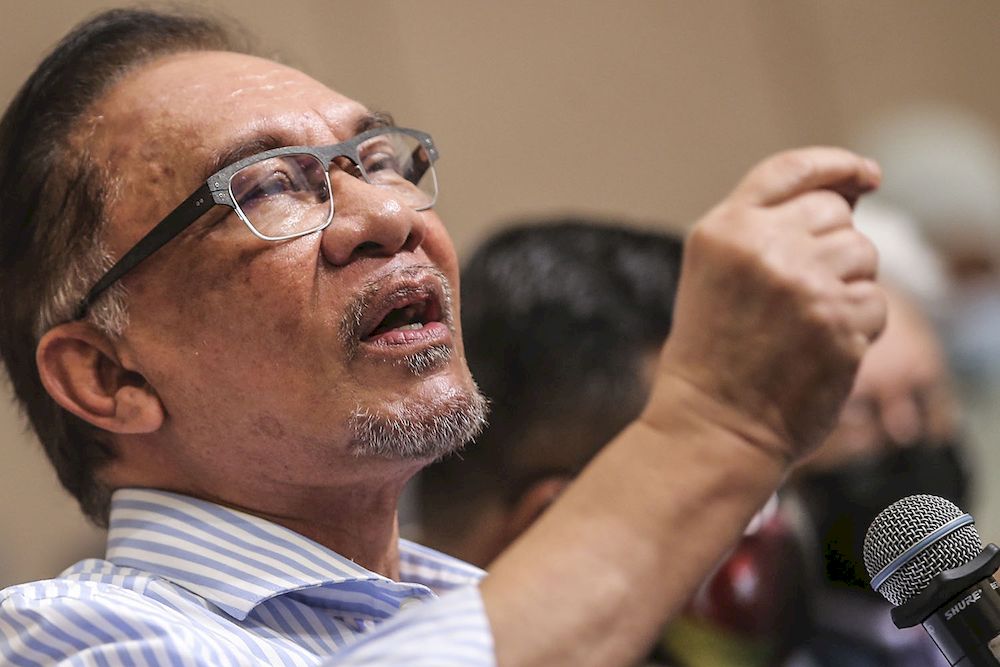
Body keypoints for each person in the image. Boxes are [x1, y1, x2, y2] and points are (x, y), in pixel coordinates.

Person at [0, 8, 885, 666]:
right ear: (108, 373)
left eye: (379, 159)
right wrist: (718, 424)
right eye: (269, 186)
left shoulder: (490, 609)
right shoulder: (61, 638)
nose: (387, 217)